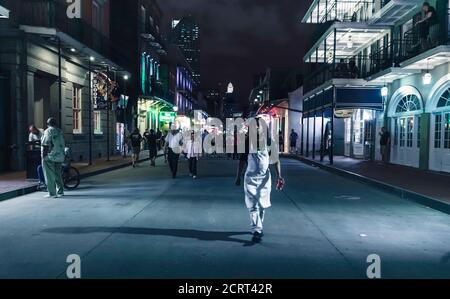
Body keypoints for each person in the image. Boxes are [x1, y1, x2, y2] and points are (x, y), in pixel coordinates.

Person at [235, 114, 284, 243]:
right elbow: (242, 161)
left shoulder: (269, 143)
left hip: (264, 179)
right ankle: (257, 229)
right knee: (253, 205)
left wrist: (279, 176)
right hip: (250, 179)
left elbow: (276, 160)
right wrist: (238, 176)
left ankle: (258, 226)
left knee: (262, 205)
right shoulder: (247, 143)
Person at [41, 117, 65, 198]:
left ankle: (52, 193)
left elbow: (46, 143)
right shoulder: (60, 131)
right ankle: (60, 191)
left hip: (50, 156)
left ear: (48, 124)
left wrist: (44, 156)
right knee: (58, 174)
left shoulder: (48, 131)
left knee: (49, 175)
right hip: (59, 156)